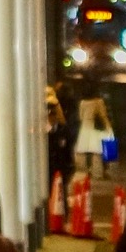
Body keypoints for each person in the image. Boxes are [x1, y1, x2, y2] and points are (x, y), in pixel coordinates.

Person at [46, 85, 76, 214]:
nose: (49, 112)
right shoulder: (39, 128)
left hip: (59, 163)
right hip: (47, 165)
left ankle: (62, 213)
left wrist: (69, 165)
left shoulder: (62, 128)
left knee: (60, 190)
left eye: (52, 109)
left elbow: (67, 145)